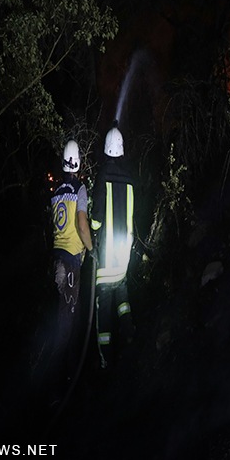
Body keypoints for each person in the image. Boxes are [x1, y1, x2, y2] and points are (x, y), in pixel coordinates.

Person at [91, 121, 135, 369]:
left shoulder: (102, 177)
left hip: (106, 257)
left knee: (104, 308)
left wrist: (94, 236)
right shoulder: (129, 179)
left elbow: (96, 219)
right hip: (123, 256)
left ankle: (106, 359)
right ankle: (129, 334)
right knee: (123, 297)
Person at [50, 139, 93, 384]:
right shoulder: (80, 189)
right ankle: (58, 384)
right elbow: (82, 225)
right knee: (66, 325)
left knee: (66, 318)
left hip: (57, 262)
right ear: (79, 162)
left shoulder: (56, 192)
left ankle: (68, 372)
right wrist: (91, 248)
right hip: (70, 266)